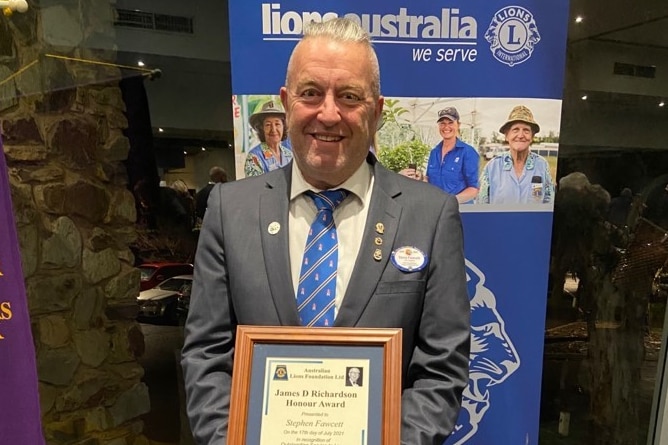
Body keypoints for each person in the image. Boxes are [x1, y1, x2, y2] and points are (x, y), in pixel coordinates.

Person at [181, 17, 470, 445]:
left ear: (376, 111)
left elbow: (441, 369)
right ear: (286, 102)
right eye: (311, 93)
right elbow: (206, 355)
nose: (329, 113)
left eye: (350, 96)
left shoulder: (430, 215)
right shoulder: (229, 210)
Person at [400, 107, 480, 203]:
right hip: (435, 209)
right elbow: (429, 180)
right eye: (442, 123)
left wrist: (450, 202)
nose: (446, 127)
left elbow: (474, 189)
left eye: (450, 123)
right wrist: (420, 177)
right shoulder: (434, 152)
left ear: (458, 125)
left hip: (458, 212)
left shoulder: (468, 152)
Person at [477, 105, 554, 204]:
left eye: (526, 130)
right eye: (515, 130)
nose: (521, 135)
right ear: (506, 136)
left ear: (532, 137)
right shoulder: (492, 167)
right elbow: (481, 205)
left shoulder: (542, 165)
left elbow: (549, 202)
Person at [243, 100, 293, 177]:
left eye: (277, 124)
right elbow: (254, 187)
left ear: (284, 127)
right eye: (268, 125)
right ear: (261, 128)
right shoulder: (254, 157)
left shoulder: (289, 155)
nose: (273, 129)